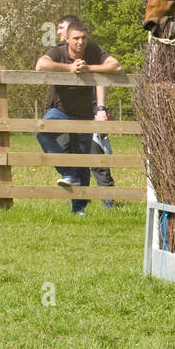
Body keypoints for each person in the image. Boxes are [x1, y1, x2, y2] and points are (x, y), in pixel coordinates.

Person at [35, 18, 121, 215]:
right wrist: (70, 68)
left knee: (84, 160)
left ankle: (79, 209)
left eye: (83, 38)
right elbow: (41, 65)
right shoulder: (58, 52)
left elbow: (115, 67)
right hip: (60, 110)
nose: (80, 42)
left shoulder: (93, 51)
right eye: (75, 39)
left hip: (84, 115)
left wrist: (89, 68)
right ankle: (68, 172)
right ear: (67, 39)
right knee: (43, 132)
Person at [54, 16, 117, 208]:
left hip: (89, 110)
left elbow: (106, 73)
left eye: (61, 28)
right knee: (66, 151)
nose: (57, 32)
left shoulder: (91, 51)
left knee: (95, 153)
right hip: (65, 111)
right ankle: (83, 196)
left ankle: (108, 200)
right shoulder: (59, 52)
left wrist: (100, 108)